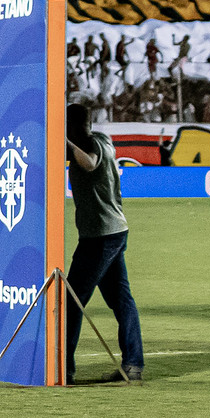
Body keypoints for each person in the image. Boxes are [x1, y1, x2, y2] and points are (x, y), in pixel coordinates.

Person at [65, 103, 144, 383]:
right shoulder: (104, 139)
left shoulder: (87, 148)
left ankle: (65, 368)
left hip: (99, 236)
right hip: (114, 230)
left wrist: (63, 140)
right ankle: (133, 364)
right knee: (122, 301)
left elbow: (89, 163)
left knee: (72, 301)